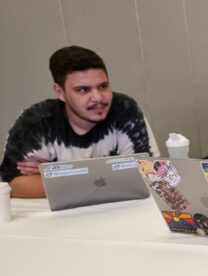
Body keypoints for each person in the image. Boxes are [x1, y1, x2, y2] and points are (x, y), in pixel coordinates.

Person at [0, 45, 160, 198]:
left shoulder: (124, 109)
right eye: (83, 90)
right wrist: (105, 176)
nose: (98, 98)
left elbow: (147, 174)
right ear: (60, 92)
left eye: (103, 86)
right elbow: (12, 185)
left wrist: (56, 174)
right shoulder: (35, 121)